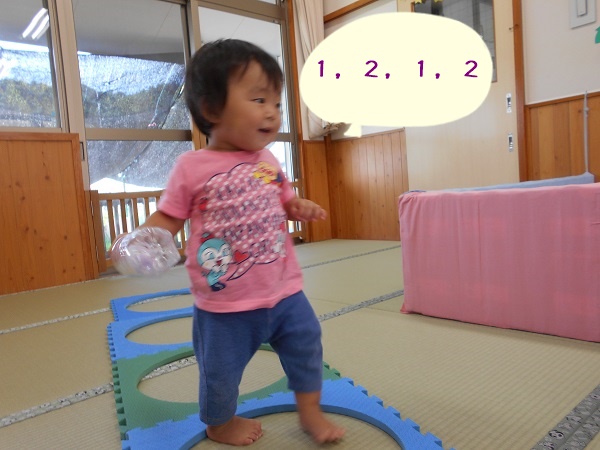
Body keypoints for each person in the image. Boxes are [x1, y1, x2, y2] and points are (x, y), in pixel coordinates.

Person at [112, 39, 345, 446]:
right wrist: (145, 242)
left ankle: (310, 411)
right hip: (225, 305)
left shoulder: (268, 161)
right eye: (258, 99)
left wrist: (298, 206)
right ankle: (220, 422)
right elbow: (168, 217)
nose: (272, 112)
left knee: (307, 348)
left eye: (276, 102)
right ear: (211, 109)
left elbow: (283, 199)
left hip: (284, 292)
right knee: (220, 371)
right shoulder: (192, 167)